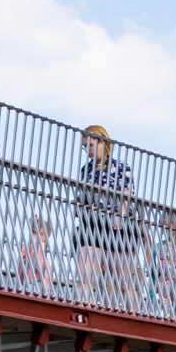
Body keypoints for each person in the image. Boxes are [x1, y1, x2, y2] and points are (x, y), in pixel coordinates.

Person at [74, 124, 137, 309]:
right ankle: (82, 312)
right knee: (86, 275)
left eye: (90, 145)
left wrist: (121, 215)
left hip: (118, 227)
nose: (88, 151)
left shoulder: (121, 167)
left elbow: (128, 194)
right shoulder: (86, 169)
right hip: (93, 223)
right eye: (85, 147)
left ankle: (132, 318)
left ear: (103, 142)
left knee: (124, 281)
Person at [19, 215, 53, 293]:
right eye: (46, 236)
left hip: (26, 282)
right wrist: (49, 279)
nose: (46, 240)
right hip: (37, 284)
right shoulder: (38, 246)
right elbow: (42, 265)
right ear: (40, 231)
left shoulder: (27, 247)